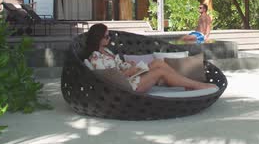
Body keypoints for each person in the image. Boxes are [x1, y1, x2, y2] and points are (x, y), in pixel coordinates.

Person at [85, 23, 216, 93]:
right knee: (160, 71)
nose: (109, 38)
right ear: (98, 39)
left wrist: (128, 65)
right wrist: (130, 71)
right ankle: (198, 85)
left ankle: (188, 84)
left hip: (131, 75)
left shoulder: (106, 51)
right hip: (127, 86)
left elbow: (117, 68)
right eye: (106, 37)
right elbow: (110, 78)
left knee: (158, 62)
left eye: (109, 36)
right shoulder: (96, 58)